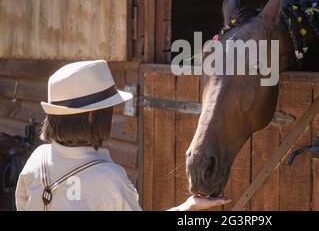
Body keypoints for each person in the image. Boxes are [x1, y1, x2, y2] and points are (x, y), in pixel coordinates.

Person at [15, 60, 230, 211]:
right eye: (108, 110)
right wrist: (186, 208)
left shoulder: (38, 158)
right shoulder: (111, 178)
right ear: (92, 116)